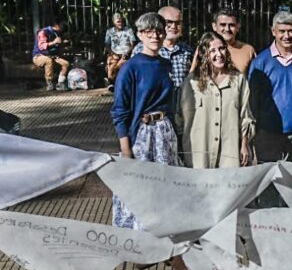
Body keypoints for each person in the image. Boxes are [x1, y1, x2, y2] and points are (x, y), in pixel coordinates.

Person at [110, 12, 180, 230]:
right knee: (140, 185)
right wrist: (125, 148)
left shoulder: (165, 64)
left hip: (164, 132)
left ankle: (164, 232)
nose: (155, 36)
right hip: (142, 134)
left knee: (165, 185)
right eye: (148, 31)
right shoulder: (130, 67)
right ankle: (137, 236)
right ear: (139, 34)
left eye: (159, 31)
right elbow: (119, 110)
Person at [178, 31, 254, 169]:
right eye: (212, 50)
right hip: (199, 154)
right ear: (203, 54)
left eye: (222, 48)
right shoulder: (192, 82)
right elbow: (180, 118)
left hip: (229, 152)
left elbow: (245, 116)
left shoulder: (238, 80)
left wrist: (244, 145)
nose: (219, 54)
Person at [249, 10, 292, 163]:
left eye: (291, 31)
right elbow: (253, 101)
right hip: (267, 134)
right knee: (269, 176)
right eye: (282, 31)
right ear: (273, 31)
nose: (287, 36)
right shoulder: (260, 63)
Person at [211, 8, 256, 73]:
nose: (227, 29)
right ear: (214, 26)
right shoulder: (205, 48)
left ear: (238, 27)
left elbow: (255, 77)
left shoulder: (248, 50)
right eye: (223, 25)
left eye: (231, 25)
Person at [31, 20, 69, 91]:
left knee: (65, 63)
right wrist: (54, 42)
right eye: (60, 28)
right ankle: (49, 83)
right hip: (39, 56)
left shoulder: (57, 33)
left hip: (52, 56)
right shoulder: (43, 32)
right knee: (48, 60)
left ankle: (60, 83)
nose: (61, 31)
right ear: (56, 26)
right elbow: (41, 46)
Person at [104, 12, 136, 92]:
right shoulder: (109, 31)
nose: (120, 23)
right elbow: (107, 45)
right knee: (111, 65)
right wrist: (112, 54)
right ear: (114, 22)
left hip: (125, 54)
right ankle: (112, 83)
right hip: (114, 54)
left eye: (122, 21)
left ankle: (115, 84)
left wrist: (127, 53)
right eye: (118, 21)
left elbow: (133, 44)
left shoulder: (129, 30)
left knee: (119, 66)